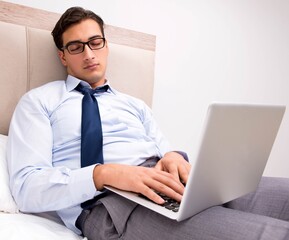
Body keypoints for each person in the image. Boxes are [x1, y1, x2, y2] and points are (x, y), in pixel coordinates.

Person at [7, 6, 289, 240]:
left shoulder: (134, 104)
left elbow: (164, 151)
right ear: (63, 56)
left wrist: (174, 158)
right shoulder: (38, 102)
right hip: (111, 205)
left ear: (106, 46)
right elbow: (26, 189)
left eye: (95, 43)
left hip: (169, 187)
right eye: (76, 47)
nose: (89, 54)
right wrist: (104, 174)